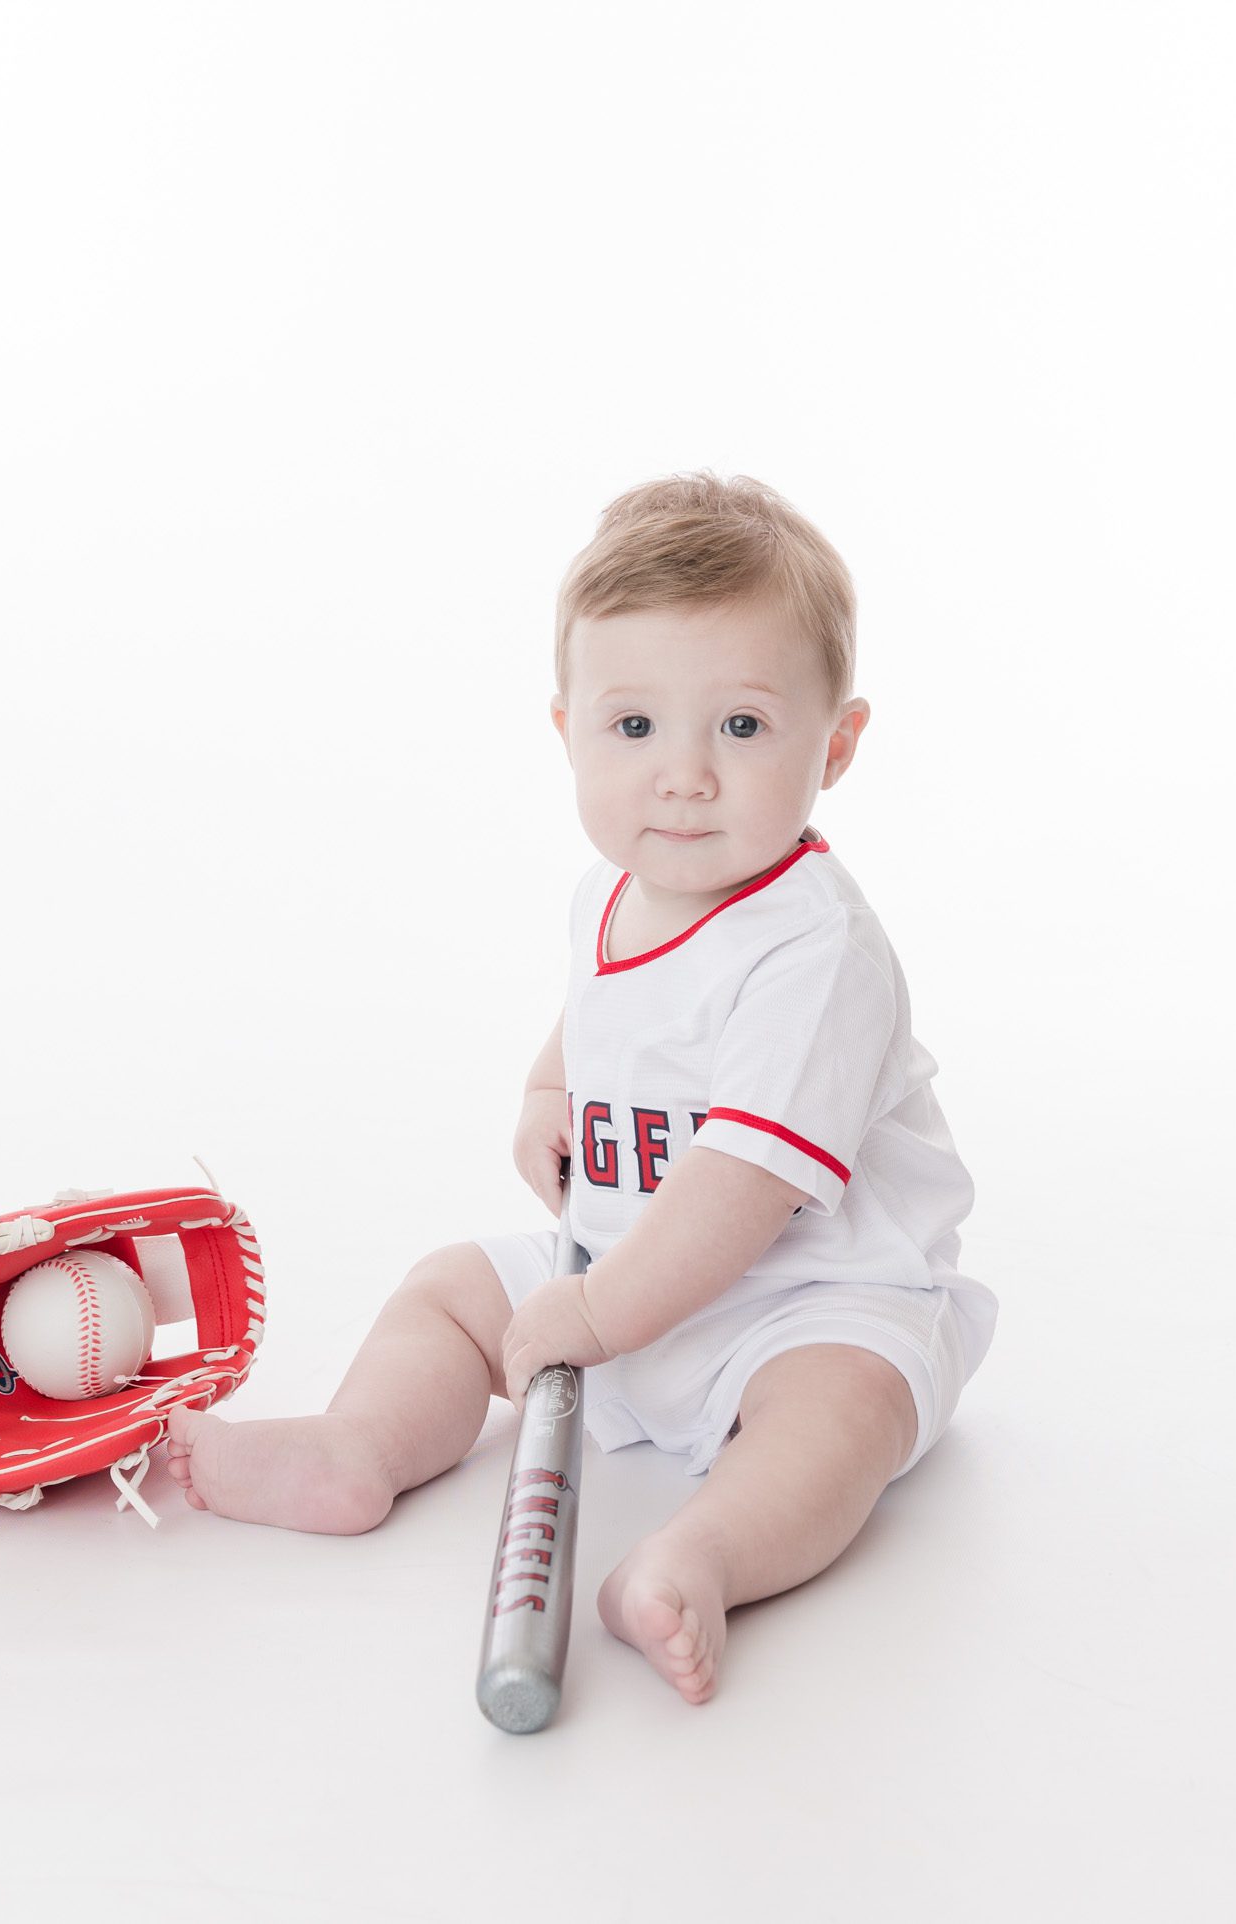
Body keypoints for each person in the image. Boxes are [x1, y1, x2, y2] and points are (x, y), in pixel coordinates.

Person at [165, 470, 998, 1705]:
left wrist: (603, 1318)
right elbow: (607, 1012)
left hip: (799, 1298)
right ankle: (358, 1445)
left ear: (836, 742)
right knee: (449, 1290)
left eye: (741, 727)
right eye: (633, 727)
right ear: (566, 729)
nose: (682, 777)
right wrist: (547, 1087)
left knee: (846, 1412)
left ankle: (700, 1554)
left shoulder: (812, 950)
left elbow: (740, 1186)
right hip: (609, 1268)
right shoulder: (614, 890)